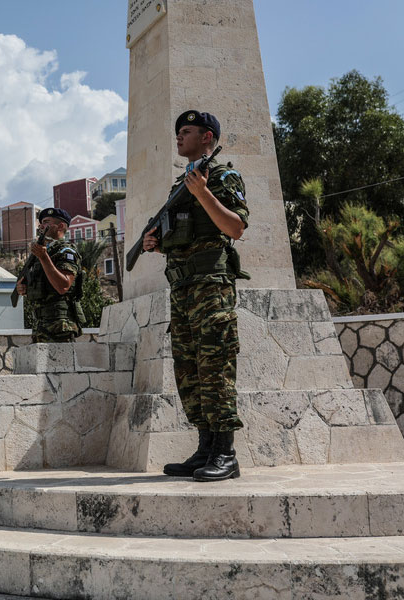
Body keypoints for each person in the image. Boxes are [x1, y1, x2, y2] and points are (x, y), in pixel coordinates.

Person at [142, 110, 250, 482]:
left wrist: (202, 192)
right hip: (183, 290)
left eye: (185, 132)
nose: (178, 137)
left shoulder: (220, 176)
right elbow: (184, 237)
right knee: (189, 371)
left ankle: (225, 453)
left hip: (211, 289)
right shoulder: (181, 184)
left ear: (207, 137)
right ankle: (205, 449)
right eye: (177, 132)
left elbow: (235, 226)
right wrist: (157, 244)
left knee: (215, 368)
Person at [15, 207, 85, 343]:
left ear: (61, 226)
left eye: (46, 222)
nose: (41, 226)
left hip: (60, 326)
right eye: (41, 222)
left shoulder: (66, 251)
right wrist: (23, 288)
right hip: (40, 326)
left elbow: (63, 286)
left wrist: (43, 257)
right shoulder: (41, 254)